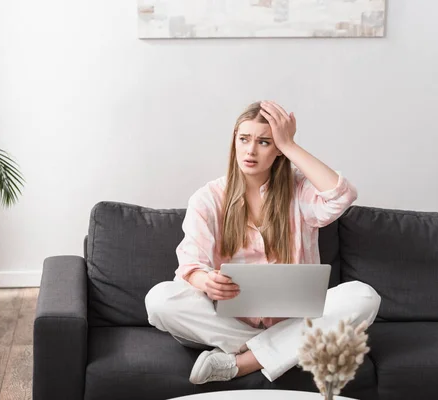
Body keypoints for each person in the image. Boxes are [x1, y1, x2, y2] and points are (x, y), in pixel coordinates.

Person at [144, 101, 381, 385]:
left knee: (364, 296)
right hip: (228, 322)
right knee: (160, 299)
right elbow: (191, 265)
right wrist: (207, 281)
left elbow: (341, 196)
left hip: (292, 320)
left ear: (278, 149)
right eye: (243, 139)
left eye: (264, 142)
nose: (250, 150)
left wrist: (290, 145)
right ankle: (282, 349)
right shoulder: (207, 198)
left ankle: (243, 362)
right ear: (234, 140)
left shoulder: (300, 191)